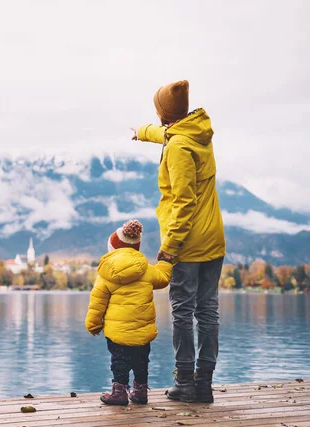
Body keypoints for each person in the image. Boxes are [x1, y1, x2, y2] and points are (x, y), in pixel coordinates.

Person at [132, 80, 226, 403]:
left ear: (164, 114)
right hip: (214, 240)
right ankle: (204, 384)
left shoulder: (176, 148)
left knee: (183, 311)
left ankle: (185, 381)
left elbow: (184, 203)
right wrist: (142, 132)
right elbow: (167, 134)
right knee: (208, 310)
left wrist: (169, 248)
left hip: (187, 243)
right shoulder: (197, 134)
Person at [85, 219, 173, 406]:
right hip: (142, 330)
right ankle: (140, 392)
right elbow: (164, 278)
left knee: (119, 361)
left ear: (113, 247)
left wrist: (93, 324)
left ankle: (119, 392)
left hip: (117, 332)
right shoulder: (146, 270)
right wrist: (165, 261)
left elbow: (97, 301)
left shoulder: (106, 273)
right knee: (142, 361)